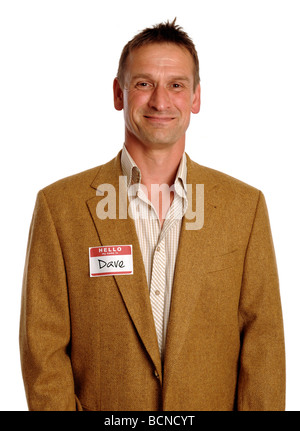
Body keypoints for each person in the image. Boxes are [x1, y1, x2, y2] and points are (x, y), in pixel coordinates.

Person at [19, 19, 285, 411]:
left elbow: (263, 346)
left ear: (195, 97)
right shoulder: (59, 208)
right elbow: (42, 348)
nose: (161, 101)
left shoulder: (244, 208)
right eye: (144, 84)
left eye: (176, 85)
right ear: (118, 93)